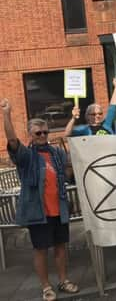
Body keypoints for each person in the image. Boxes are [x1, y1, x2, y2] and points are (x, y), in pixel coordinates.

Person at [1, 99, 79, 300]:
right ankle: (46, 287)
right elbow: (11, 141)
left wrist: (73, 159)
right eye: (38, 133)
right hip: (38, 211)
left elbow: (68, 167)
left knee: (61, 247)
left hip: (59, 209)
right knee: (41, 250)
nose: (43, 136)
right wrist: (6, 115)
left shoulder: (55, 153)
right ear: (31, 135)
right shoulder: (26, 156)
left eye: (45, 132)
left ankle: (63, 281)